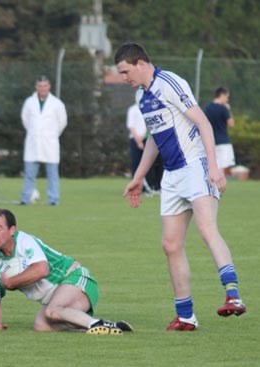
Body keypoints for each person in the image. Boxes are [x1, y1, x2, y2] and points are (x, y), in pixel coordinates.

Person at [114, 43, 246, 331]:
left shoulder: (170, 83)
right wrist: (138, 177)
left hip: (196, 166)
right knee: (170, 245)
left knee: (206, 228)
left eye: (125, 71)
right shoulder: (141, 96)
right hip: (172, 176)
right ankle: (186, 315)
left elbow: (204, 124)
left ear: (139, 63)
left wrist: (213, 167)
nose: (124, 78)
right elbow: (154, 139)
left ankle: (233, 295)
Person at [0, 208, 133, 334]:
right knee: (41, 325)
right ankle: (97, 325)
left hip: (75, 278)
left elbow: (41, 270)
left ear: (12, 230)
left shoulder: (25, 241)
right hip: (58, 298)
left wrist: (10, 282)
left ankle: (100, 324)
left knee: (52, 311)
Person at [20, 75, 67, 206]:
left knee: (52, 175)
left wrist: (51, 134)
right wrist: (35, 132)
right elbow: (25, 120)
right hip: (33, 143)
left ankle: (53, 199)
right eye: (40, 86)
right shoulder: (29, 102)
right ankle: (25, 198)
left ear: (49, 87)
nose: (42, 88)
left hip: (50, 143)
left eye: (45, 86)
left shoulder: (57, 103)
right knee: (29, 174)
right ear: (36, 87)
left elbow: (62, 122)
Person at [126, 101, 163, 194]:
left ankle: (154, 186)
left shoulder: (150, 108)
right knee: (136, 163)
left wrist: (146, 138)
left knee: (151, 164)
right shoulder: (133, 109)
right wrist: (138, 142)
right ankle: (138, 186)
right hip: (135, 139)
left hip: (148, 138)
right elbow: (131, 126)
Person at [204, 87, 236, 175]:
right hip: (223, 141)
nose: (227, 99)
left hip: (211, 141)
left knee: (212, 165)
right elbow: (231, 124)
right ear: (222, 95)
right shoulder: (223, 109)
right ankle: (218, 186)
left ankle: (212, 187)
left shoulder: (207, 107)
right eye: (227, 97)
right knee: (221, 167)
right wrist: (228, 110)